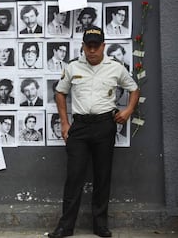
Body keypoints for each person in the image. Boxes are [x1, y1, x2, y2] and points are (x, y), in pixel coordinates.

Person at [48, 26, 139, 238]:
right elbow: (60, 93)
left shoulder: (115, 68)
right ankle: (65, 227)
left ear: (103, 47)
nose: (91, 50)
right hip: (79, 127)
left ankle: (100, 225)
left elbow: (134, 88)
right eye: (88, 46)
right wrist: (64, 123)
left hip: (104, 125)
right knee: (74, 177)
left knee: (102, 176)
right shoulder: (72, 67)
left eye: (95, 46)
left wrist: (128, 111)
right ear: (82, 46)